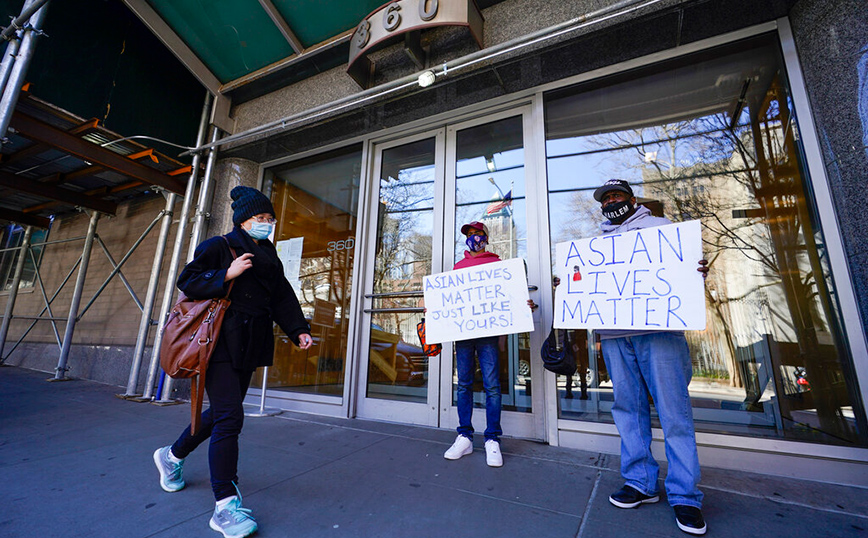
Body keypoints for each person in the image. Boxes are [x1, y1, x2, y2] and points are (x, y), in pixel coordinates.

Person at [153, 186, 312, 538]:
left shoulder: (268, 255)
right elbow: (188, 281)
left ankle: (172, 456)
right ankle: (225, 504)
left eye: (271, 219)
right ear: (243, 220)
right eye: (261, 218)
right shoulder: (219, 246)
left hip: (251, 341)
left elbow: (282, 296)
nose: (267, 224)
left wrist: (298, 329)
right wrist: (226, 273)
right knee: (230, 418)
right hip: (218, 341)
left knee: (224, 412)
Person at [591, 179, 709, 535]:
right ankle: (640, 482)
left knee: (673, 412)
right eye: (606, 198)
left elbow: (685, 269)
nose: (612, 201)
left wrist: (697, 270)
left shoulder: (661, 229)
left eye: (617, 195)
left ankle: (685, 495)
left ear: (632, 199)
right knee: (628, 409)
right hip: (615, 336)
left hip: (659, 333)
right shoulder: (595, 244)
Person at [443, 221, 536, 468]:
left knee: (492, 385)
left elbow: (511, 298)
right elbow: (450, 300)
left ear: (486, 237)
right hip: (463, 333)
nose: (473, 238)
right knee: (463, 384)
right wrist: (436, 308)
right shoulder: (458, 267)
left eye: (477, 234)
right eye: (469, 234)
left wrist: (524, 306)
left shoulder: (498, 265)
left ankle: (492, 438)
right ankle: (463, 436)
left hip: (489, 333)